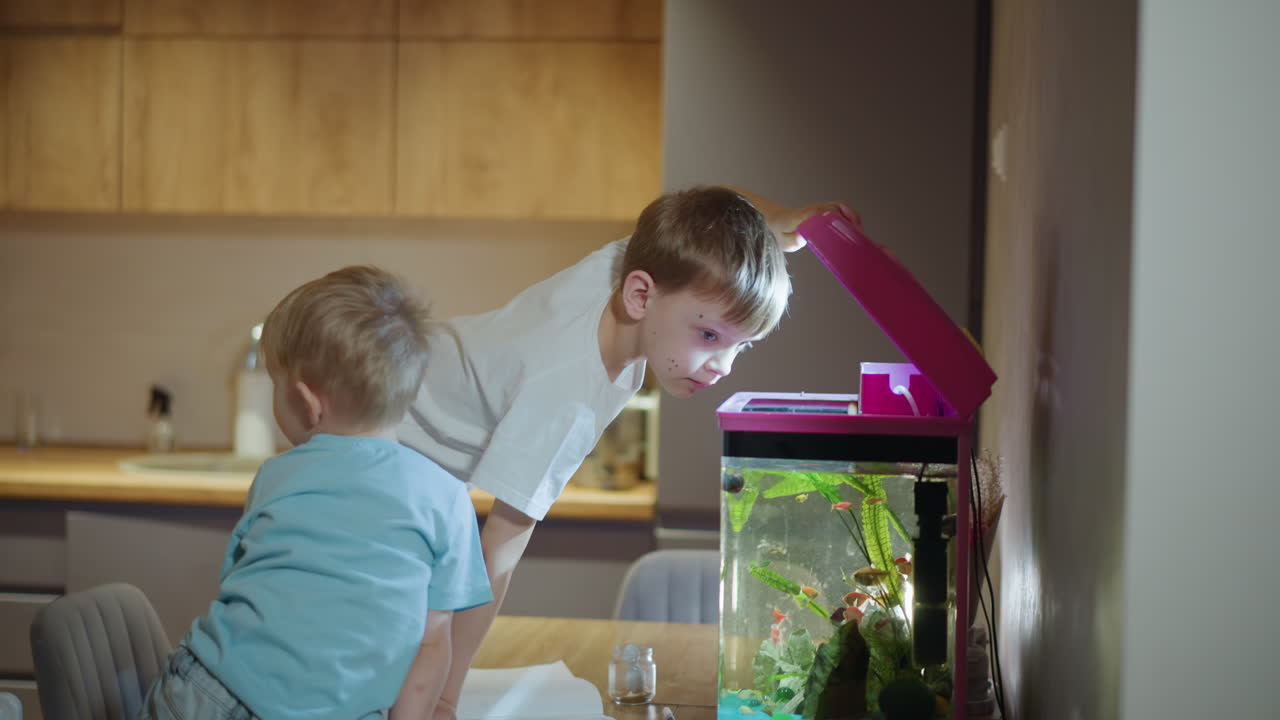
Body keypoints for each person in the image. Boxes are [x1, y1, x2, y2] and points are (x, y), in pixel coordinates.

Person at [397, 185, 859, 719]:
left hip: (398, 359)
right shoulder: (569, 398)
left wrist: (782, 220)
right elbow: (495, 555)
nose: (723, 365)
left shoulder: (628, 267)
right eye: (709, 334)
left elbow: (703, 210)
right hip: (383, 419)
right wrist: (448, 696)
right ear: (641, 297)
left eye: (741, 344)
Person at [139, 266, 493, 720]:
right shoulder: (447, 499)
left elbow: (241, 587)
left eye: (274, 382)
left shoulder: (276, 476)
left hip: (209, 693)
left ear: (308, 404)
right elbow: (431, 642)